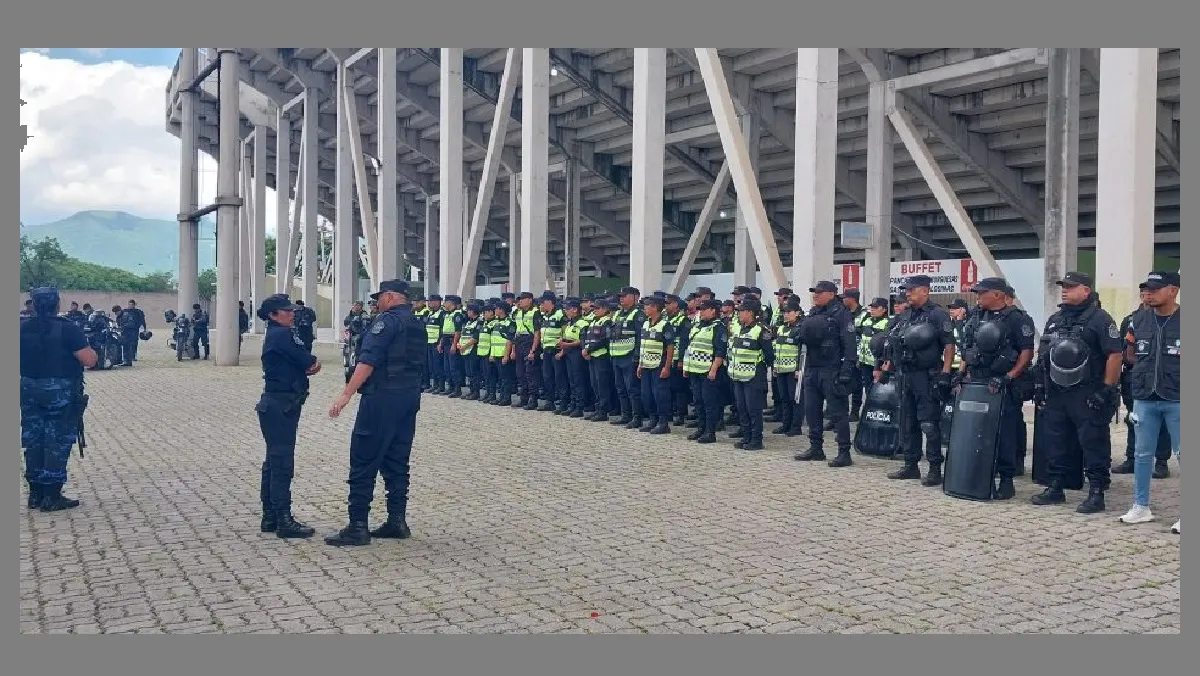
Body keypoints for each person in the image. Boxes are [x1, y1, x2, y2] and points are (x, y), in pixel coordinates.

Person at [325, 280, 426, 547]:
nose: (377, 302)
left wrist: (347, 393)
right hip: (408, 397)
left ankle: (358, 526)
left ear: (391, 297)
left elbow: (368, 360)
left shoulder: (386, 323)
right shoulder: (417, 324)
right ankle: (397, 521)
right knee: (397, 458)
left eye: (380, 297)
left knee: (364, 456)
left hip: (382, 397)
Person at [1031, 272, 1124, 514]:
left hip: (1087, 391)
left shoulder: (1100, 319)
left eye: (1070, 287)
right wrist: (1040, 386)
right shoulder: (1056, 319)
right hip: (1057, 393)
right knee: (1056, 440)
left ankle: (1096, 491)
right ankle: (1055, 486)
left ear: (1086, 290)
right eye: (1063, 286)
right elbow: (1044, 355)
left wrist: (1107, 389)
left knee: (1093, 442)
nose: (1064, 290)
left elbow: (1115, 354)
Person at [956, 277, 1036, 500]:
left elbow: (1026, 352)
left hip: (1002, 383)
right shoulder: (976, 316)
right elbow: (968, 348)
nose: (978, 296)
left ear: (999, 295)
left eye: (983, 292)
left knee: (1005, 433)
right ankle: (980, 475)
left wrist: (1009, 377)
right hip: (978, 380)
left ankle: (1007, 479)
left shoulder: (1017, 319)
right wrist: (961, 372)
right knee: (977, 430)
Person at [21, 287, 97, 511]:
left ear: (33, 305)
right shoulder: (67, 329)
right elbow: (88, 360)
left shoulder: (20, 327)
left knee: (33, 439)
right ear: (57, 304)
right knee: (57, 440)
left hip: (28, 390)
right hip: (59, 392)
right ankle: (51, 494)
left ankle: (34, 493)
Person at [877, 275, 957, 485]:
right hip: (905, 374)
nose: (907, 293)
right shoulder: (906, 315)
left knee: (929, 424)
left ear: (925, 291)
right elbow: (896, 344)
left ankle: (934, 468)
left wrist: (946, 374)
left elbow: (949, 345)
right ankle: (910, 465)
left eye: (912, 290)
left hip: (926, 376)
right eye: (906, 290)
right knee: (907, 422)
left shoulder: (937, 314)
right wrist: (887, 368)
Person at [1117, 271, 1181, 533]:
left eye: (1155, 289)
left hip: (1178, 397)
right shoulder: (1137, 320)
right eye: (1146, 289)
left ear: (1173, 291)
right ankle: (1141, 506)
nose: (1149, 293)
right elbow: (1130, 352)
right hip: (1144, 397)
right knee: (1142, 455)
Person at [255, 294, 321, 538]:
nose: (292, 314)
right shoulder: (282, 334)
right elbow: (309, 361)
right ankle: (283, 519)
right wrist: (311, 364)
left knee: (273, 461)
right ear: (273, 315)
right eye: (286, 311)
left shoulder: (277, 333)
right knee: (281, 463)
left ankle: (270, 516)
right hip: (281, 404)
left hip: (278, 403)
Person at [794, 281, 859, 467]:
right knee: (812, 410)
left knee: (837, 413)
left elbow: (850, 344)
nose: (816, 295)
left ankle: (844, 452)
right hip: (812, 368)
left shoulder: (841, 313)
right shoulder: (814, 312)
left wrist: (847, 370)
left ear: (831, 294)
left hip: (832, 369)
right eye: (814, 292)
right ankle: (816, 448)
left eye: (820, 292)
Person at [1112, 291, 1173, 479]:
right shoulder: (1131, 320)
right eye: (1144, 293)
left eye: (1151, 293)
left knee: (1162, 421)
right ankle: (1131, 458)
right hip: (1135, 378)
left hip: (1163, 380)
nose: (1147, 297)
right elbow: (1123, 350)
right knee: (1134, 419)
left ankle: (1161, 461)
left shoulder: (1170, 319)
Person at [727, 297, 774, 451]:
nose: (739, 314)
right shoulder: (739, 328)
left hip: (754, 375)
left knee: (753, 409)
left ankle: (756, 440)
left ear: (750, 313)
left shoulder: (761, 330)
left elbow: (769, 355)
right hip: (737, 375)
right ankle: (746, 437)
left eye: (741, 311)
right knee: (742, 408)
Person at [682, 299, 729, 443]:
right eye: (700, 309)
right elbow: (690, 347)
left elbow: (720, 352)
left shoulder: (718, 328)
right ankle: (701, 429)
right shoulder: (698, 326)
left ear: (713, 311)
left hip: (708, 372)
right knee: (698, 401)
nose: (700, 312)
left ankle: (710, 432)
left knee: (709, 403)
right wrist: (686, 367)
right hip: (694, 370)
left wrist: (713, 370)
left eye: (704, 309)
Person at [635, 295, 677, 434]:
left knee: (660, 394)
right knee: (646, 395)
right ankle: (653, 419)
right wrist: (640, 364)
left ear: (654, 307)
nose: (645, 308)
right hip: (646, 364)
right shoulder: (646, 323)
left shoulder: (665, 325)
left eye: (647, 306)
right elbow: (643, 345)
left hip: (659, 364)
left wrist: (667, 366)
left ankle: (663, 422)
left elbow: (670, 346)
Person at [609, 287, 647, 429]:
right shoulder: (618, 314)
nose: (621, 298)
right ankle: (626, 415)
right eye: (620, 296)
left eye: (624, 296)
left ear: (634, 297)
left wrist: (637, 357)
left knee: (632, 389)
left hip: (629, 357)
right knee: (620, 388)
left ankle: (637, 417)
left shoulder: (638, 315)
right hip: (617, 356)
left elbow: (640, 338)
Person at [769, 298, 805, 438]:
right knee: (784, 398)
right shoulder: (781, 328)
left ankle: (796, 426)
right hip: (781, 369)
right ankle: (786, 424)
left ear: (797, 313)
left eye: (789, 312)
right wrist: (775, 366)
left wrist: (799, 369)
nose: (786, 314)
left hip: (793, 371)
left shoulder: (800, 329)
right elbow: (777, 349)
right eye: (784, 312)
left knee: (794, 399)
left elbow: (802, 352)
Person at [855, 298, 890, 416]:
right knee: (867, 388)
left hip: (877, 363)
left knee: (877, 389)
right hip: (865, 361)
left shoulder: (887, 323)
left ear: (884, 309)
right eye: (872, 307)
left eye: (876, 308)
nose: (872, 310)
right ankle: (868, 410)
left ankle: (877, 411)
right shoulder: (866, 320)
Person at [583, 299, 616, 421]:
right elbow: (587, 338)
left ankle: (603, 411)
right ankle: (598, 409)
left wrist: (589, 349)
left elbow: (604, 340)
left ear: (604, 309)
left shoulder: (607, 322)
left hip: (602, 357)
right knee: (595, 384)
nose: (594, 311)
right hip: (592, 356)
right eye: (594, 308)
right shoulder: (593, 321)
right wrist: (586, 350)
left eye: (597, 308)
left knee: (602, 385)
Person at [557, 299, 589, 417]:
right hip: (569, 352)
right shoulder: (570, 323)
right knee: (571, 380)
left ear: (575, 309)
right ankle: (573, 404)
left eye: (568, 309)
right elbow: (567, 338)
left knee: (578, 380)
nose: (566, 311)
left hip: (577, 353)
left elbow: (582, 341)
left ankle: (579, 407)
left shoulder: (583, 323)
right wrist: (563, 349)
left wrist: (567, 345)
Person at [537, 293, 568, 412]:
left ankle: (563, 403)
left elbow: (565, 333)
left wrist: (563, 350)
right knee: (547, 377)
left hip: (557, 350)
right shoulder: (545, 316)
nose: (541, 305)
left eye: (543, 302)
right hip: (546, 350)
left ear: (550, 302)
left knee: (559, 377)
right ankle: (550, 402)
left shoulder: (560, 314)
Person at [512, 292, 542, 409]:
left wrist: (533, 350)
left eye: (523, 299)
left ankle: (533, 399)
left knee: (531, 373)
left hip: (529, 342)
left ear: (530, 300)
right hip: (519, 342)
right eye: (519, 300)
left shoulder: (535, 312)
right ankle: (523, 398)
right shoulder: (518, 313)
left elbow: (537, 334)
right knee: (520, 372)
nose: (520, 301)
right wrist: (513, 350)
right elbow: (516, 332)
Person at [490, 301, 518, 406]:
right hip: (496, 353)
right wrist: (492, 354)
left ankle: (506, 398)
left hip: (504, 353)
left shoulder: (510, 322)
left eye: (496, 308)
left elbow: (509, 340)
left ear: (501, 309)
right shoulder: (496, 322)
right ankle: (501, 397)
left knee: (506, 377)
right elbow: (494, 339)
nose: (495, 310)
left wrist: (506, 355)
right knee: (500, 377)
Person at [117, 299, 143, 366]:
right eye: (129, 304)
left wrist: (143, 328)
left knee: (134, 343)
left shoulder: (138, 312)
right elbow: (119, 321)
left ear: (134, 305)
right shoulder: (124, 311)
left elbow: (141, 320)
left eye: (131, 305)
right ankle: (129, 359)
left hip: (135, 329)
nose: (130, 306)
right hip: (126, 331)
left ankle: (133, 356)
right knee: (127, 345)